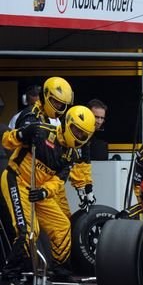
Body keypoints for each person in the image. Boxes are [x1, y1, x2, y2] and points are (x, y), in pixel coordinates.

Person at [0, 105, 95, 283]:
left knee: (62, 226)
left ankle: (59, 269)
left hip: (39, 190)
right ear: (67, 124)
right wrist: (21, 134)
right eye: (76, 130)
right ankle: (10, 273)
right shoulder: (41, 131)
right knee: (28, 231)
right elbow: (6, 141)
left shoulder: (71, 154)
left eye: (83, 134)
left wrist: (44, 192)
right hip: (17, 180)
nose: (78, 136)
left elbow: (59, 180)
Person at [3, 77, 72, 140]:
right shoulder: (18, 117)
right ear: (25, 97)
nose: (37, 98)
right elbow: (10, 141)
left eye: (38, 95)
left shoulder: (54, 119)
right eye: (33, 94)